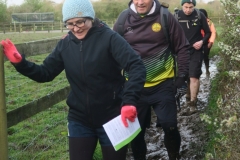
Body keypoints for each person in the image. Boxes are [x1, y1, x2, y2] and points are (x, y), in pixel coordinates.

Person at [0, 0, 146, 159]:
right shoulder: (65, 44)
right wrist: (20, 63)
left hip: (112, 118)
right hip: (80, 119)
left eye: (80, 22)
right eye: (69, 24)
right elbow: (45, 73)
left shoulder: (110, 38)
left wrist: (129, 101)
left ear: (90, 17)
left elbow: (136, 66)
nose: (75, 28)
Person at [113, 0, 190, 159]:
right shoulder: (123, 19)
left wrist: (182, 78)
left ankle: (174, 156)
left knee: (170, 126)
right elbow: (111, 47)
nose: (140, 2)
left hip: (163, 85)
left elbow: (182, 47)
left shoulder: (165, 17)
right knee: (136, 133)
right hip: (134, 88)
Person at [176, 0, 211, 114]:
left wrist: (202, 42)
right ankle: (188, 94)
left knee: (194, 76)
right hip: (182, 50)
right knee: (185, 75)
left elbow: (208, 33)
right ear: (182, 6)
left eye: (190, 7)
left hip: (196, 50)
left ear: (194, 6)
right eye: (186, 7)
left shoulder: (199, 15)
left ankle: (193, 104)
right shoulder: (176, 16)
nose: (188, 10)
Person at [199, 8, 217, 77]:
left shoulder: (210, 22)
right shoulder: (195, 21)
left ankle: (207, 69)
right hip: (198, 41)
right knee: (198, 57)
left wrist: (211, 42)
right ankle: (198, 71)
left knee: (205, 56)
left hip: (207, 42)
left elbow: (213, 32)